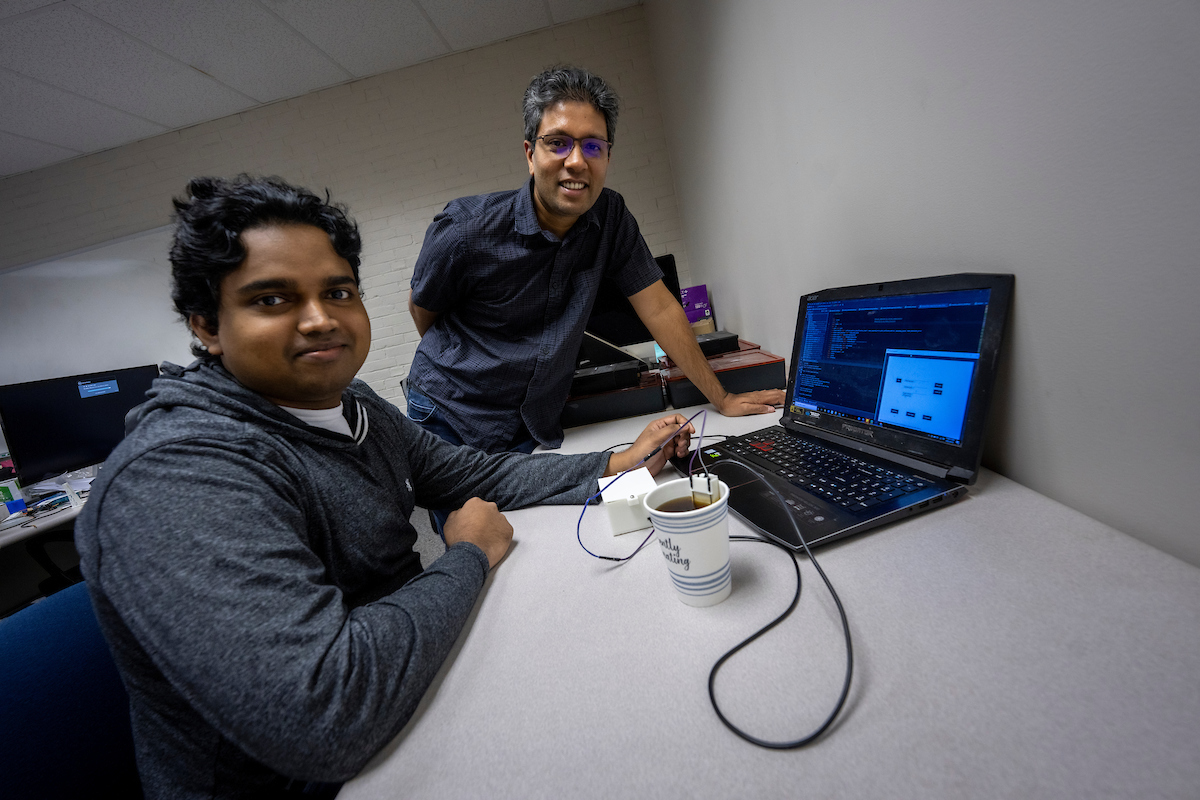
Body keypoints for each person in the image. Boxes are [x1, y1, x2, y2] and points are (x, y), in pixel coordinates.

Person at [74, 175, 692, 799]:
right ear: (207, 326)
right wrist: (469, 556)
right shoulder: (177, 475)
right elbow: (325, 715)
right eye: (272, 300)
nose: (319, 320)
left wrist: (621, 463)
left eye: (337, 292)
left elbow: (478, 473)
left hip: (410, 701)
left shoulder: (355, 406)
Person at [407, 65, 784, 456]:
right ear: (529, 155)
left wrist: (721, 398)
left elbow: (659, 308)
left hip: (531, 420)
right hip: (449, 412)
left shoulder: (611, 217)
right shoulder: (466, 229)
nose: (576, 161)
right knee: (469, 519)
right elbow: (424, 312)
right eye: (557, 143)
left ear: (607, 156)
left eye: (592, 146)